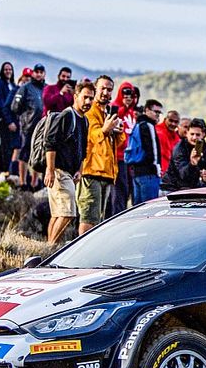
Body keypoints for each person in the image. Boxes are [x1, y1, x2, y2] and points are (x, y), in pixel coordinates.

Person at [44, 81, 93, 245]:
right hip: (59, 171)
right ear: (76, 96)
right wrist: (50, 170)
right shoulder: (66, 115)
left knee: (58, 213)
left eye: (91, 99)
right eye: (85, 97)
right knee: (68, 213)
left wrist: (80, 169)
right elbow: (50, 142)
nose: (88, 102)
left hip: (70, 173)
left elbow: (83, 148)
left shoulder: (85, 121)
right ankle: (51, 247)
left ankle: (47, 248)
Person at [78, 75, 125, 233]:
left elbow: (115, 144)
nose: (106, 92)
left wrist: (117, 131)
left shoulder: (107, 113)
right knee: (89, 217)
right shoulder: (90, 111)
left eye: (109, 89)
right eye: (102, 88)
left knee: (98, 219)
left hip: (106, 172)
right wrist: (106, 129)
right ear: (95, 89)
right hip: (92, 171)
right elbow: (92, 136)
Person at [10, 63, 46, 188]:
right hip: (28, 127)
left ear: (44, 74)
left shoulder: (46, 88)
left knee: (39, 155)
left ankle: (35, 182)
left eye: (41, 72)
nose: (39, 74)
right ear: (33, 73)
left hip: (43, 128)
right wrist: (24, 116)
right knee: (25, 154)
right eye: (37, 71)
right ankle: (22, 182)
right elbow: (15, 106)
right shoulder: (25, 88)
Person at [160, 117, 206, 193]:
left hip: (192, 189)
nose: (194, 137)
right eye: (192, 134)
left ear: (204, 134)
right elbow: (183, 176)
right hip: (171, 189)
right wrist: (192, 164)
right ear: (187, 133)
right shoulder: (179, 148)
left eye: (197, 135)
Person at [126, 98, 163, 204]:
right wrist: (157, 169)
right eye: (156, 112)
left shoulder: (137, 125)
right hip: (149, 174)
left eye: (159, 113)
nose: (157, 115)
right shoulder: (148, 126)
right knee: (150, 207)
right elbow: (153, 152)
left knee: (138, 208)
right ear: (147, 110)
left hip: (137, 172)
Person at [110, 81, 139, 214]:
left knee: (129, 190)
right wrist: (124, 108)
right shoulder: (115, 108)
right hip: (119, 156)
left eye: (130, 94)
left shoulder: (133, 112)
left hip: (131, 158)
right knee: (120, 191)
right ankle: (115, 217)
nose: (128, 96)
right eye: (125, 93)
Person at [0, 61, 19, 176]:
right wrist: (8, 120)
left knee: (11, 145)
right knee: (4, 144)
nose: (8, 71)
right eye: (6, 69)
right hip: (2, 119)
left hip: (11, 119)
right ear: (2, 71)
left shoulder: (13, 85)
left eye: (10, 69)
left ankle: (8, 168)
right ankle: (2, 169)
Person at [155, 109, 181, 175]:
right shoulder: (159, 132)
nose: (173, 124)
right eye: (171, 120)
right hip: (160, 172)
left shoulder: (176, 137)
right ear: (165, 119)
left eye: (176, 122)